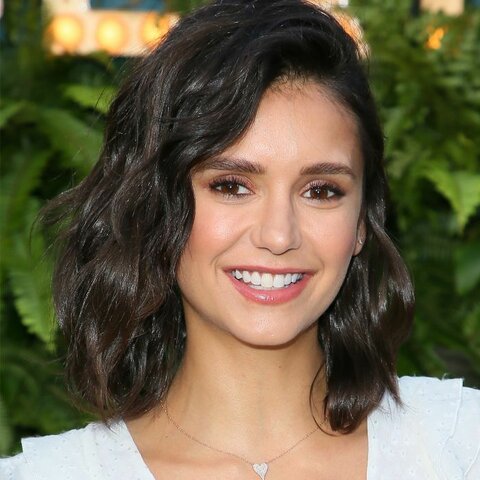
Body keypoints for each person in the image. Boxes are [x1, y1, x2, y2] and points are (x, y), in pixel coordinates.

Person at [1, 0, 479, 478]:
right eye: (231, 186)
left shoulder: (459, 446)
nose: (278, 235)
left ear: (361, 225)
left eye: (320, 191)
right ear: (157, 206)